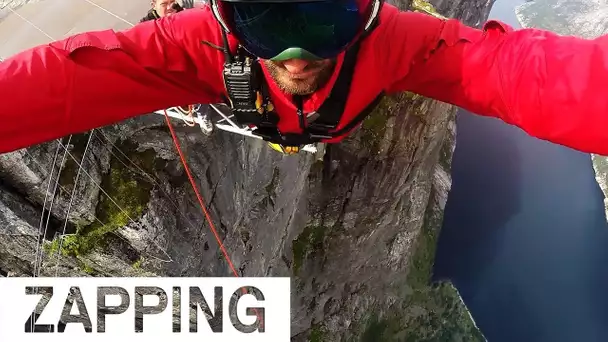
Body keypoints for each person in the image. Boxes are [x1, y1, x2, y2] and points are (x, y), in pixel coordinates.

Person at [1, 0, 608, 156]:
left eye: (323, 18)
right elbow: (64, 76)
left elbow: (526, 75)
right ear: (230, 17)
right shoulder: (200, 40)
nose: (294, 55)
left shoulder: (395, 40)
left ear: (364, 11)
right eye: (268, 19)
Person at [139, 0, 215, 135]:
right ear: (154, 5)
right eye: (164, 4)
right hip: (169, 70)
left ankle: (204, 112)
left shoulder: (183, 14)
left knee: (204, 86)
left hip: (190, 63)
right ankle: (197, 111)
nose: (169, 8)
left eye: (172, 2)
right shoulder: (145, 26)